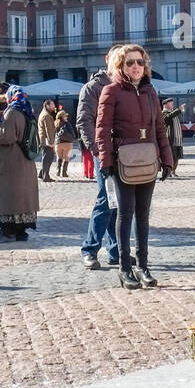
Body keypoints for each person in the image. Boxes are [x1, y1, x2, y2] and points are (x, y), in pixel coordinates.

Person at [96, 44, 174, 288]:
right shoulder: (111, 91)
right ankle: (124, 267)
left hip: (148, 157)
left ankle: (143, 266)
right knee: (125, 213)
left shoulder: (151, 91)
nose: (136, 67)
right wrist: (105, 161)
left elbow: (159, 128)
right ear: (120, 66)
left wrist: (167, 158)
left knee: (143, 214)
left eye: (140, 62)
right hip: (124, 160)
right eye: (130, 63)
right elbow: (102, 131)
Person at [76, 52, 120, 267]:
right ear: (108, 60)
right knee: (106, 199)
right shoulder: (92, 88)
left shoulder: (125, 85)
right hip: (103, 153)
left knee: (118, 203)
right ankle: (90, 249)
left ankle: (115, 250)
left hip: (124, 154)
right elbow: (84, 121)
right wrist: (97, 150)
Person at [0, 85, 40, 242]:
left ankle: (8, 231)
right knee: (22, 196)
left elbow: (6, 137)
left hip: (11, 160)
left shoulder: (12, 112)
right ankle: (21, 231)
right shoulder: (26, 110)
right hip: (24, 161)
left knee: (9, 195)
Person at [36, 99, 58, 182]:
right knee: (48, 158)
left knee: (46, 157)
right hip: (47, 141)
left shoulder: (44, 114)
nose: (54, 107)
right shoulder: (47, 115)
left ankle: (42, 174)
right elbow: (49, 130)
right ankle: (46, 176)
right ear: (47, 105)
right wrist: (51, 142)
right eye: (52, 105)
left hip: (44, 140)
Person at [160, 100, 183, 177]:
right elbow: (167, 118)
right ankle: (168, 171)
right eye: (171, 104)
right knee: (170, 155)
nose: (173, 105)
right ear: (165, 105)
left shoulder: (173, 113)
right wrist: (178, 110)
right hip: (170, 138)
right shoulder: (163, 113)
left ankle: (173, 171)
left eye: (173, 103)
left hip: (177, 138)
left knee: (176, 156)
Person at [54, 106, 76, 178]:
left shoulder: (55, 123)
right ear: (63, 116)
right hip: (68, 144)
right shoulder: (67, 123)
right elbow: (72, 132)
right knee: (67, 158)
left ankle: (58, 171)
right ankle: (64, 173)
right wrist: (73, 138)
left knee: (59, 157)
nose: (66, 117)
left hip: (58, 143)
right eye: (65, 115)